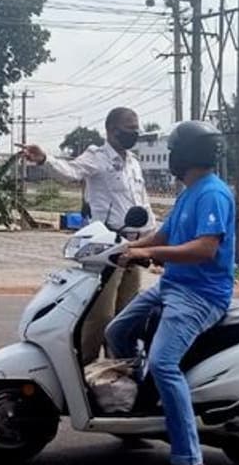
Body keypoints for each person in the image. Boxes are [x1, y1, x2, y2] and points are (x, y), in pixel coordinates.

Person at [104, 120, 235, 465]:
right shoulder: (189, 191)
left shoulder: (213, 193)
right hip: (173, 285)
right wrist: (124, 248)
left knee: (163, 363)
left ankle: (187, 456)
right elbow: (163, 237)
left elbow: (205, 249)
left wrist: (147, 254)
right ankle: (138, 402)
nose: (170, 158)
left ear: (187, 154)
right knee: (116, 330)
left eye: (174, 151)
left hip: (201, 294)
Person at [21, 107, 155, 364]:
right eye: (129, 129)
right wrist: (43, 159)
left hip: (134, 246)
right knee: (100, 316)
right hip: (107, 247)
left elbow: (143, 203)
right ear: (111, 130)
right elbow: (70, 171)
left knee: (126, 315)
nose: (134, 133)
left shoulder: (134, 164)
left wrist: (153, 241)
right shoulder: (98, 157)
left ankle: (119, 373)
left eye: (137, 129)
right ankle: (85, 371)